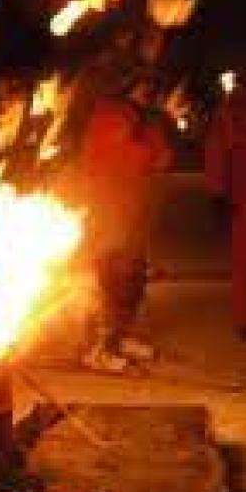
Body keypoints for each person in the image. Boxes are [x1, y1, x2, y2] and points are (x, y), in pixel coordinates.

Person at [76, 74, 174, 362]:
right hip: (111, 207)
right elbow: (120, 157)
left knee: (132, 275)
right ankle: (99, 346)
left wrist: (153, 147)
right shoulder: (110, 114)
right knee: (112, 275)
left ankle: (121, 335)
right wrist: (147, 152)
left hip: (134, 206)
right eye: (144, 85)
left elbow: (163, 155)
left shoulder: (143, 116)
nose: (149, 90)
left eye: (152, 86)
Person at [205, 77, 246, 341]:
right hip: (244, 200)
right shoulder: (229, 113)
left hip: (244, 198)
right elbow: (217, 154)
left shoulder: (230, 113)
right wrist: (219, 194)